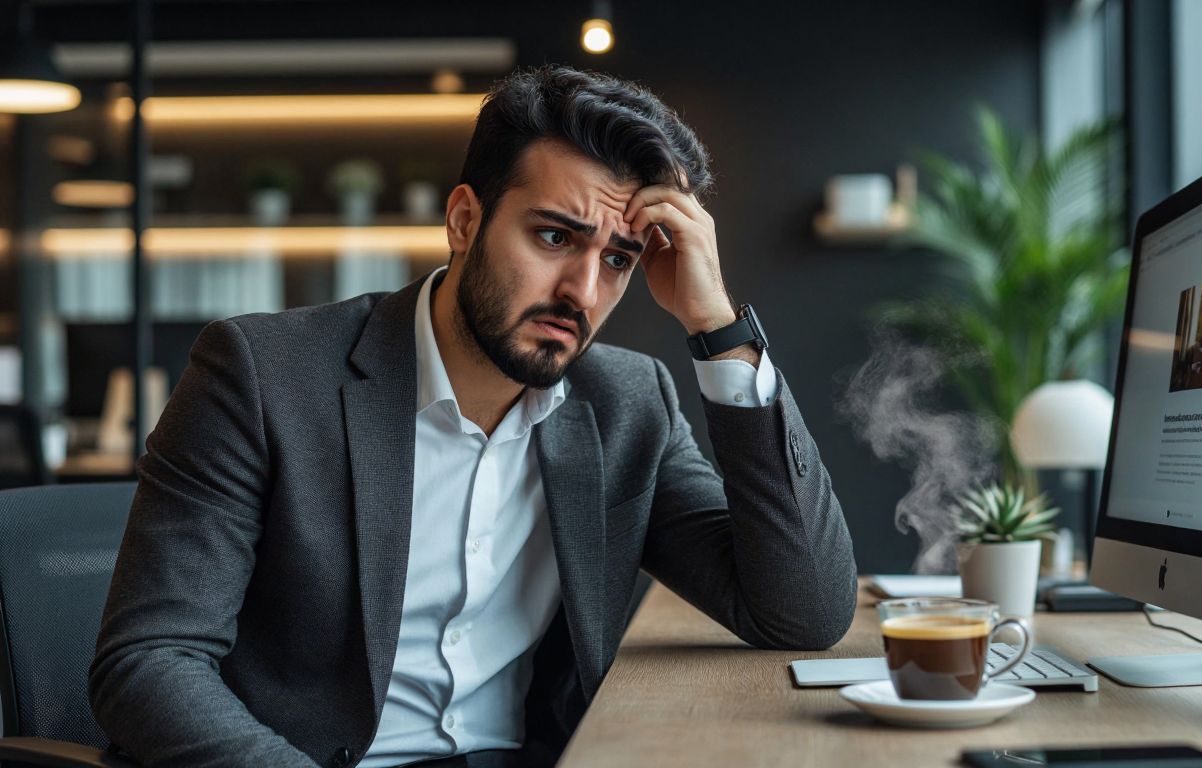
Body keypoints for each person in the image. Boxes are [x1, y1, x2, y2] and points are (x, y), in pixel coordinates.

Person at [89, 65, 856, 768]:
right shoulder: (262, 377)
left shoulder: (626, 405)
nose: (583, 292)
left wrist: (717, 326)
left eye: (618, 259)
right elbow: (149, 663)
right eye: (555, 236)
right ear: (464, 220)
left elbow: (803, 612)